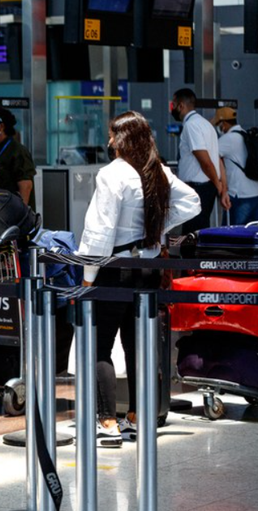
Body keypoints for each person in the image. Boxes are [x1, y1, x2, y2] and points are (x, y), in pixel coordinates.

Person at [79, 111, 200, 447]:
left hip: (114, 267)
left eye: (113, 136)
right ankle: (135, 417)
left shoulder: (112, 174)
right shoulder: (158, 170)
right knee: (137, 345)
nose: (108, 142)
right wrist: (158, 228)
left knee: (100, 345)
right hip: (147, 269)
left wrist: (88, 276)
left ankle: (106, 421)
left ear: (124, 139)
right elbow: (193, 202)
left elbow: (100, 230)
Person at [171, 88, 228, 233]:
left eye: (174, 104)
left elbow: (205, 161)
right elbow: (218, 159)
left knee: (192, 235)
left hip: (199, 188)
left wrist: (218, 185)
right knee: (198, 231)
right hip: (206, 187)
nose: (172, 108)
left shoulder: (191, 126)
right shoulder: (206, 125)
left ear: (181, 106)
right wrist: (221, 187)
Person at [0, 107, 37, 210]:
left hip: (11, 210)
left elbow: (26, 185)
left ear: (1, 127)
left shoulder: (17, 151)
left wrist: (21, 213)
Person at [211, 107, 258, 225]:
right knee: (252, 234)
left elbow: (210, 157)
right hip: (255, 192)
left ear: (224, 124)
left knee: (233, 236)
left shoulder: (227, 139)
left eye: (219, 124)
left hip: (239, 195)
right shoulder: (246, 134)